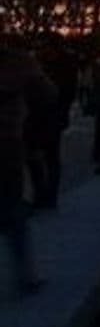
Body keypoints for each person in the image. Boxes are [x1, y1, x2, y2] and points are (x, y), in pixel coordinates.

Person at [1, 35, 57, 296]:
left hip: (8, 141)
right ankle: (24, 274)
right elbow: (47, 94)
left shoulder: (20, 61)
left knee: (12, 207)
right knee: (12, 207)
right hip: (6, 140)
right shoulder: (19, 62)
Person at [26, 37, 78, 209]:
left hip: (50, 116)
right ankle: (41, 193)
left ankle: (47, 195)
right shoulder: (39, 65)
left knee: (49, 157)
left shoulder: (62, 67)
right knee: (36, 157)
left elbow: (65, 94)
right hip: (36, 116)